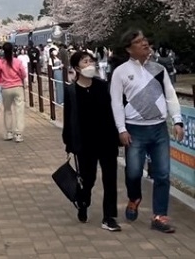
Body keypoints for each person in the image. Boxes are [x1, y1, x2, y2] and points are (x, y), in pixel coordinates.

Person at [110, 29, 185, 234]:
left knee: (162, 175)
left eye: (144, 40)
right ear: (129, 49)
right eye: (138, 42)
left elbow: (170, 96)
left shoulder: (159, 69)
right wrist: (121, 129)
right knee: (133, 173)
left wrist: (177, 121)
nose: (144, 44)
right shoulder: (121, 72)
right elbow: (116, 103)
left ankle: (159, 216)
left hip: (159, 129)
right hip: (134, 130)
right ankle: (134, 197)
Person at [63, 50, 121, 231]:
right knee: (88, 179)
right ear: (75, 68)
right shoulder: (71, 90)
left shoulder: (104, 86)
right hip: (85, 143)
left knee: (110, 178)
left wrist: (119, 132)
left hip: (107, 139)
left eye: (91, 61)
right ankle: (83, 202)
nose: (90, 65)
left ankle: (109, 216)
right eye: (85, 62)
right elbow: (68, 118)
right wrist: (69, 142)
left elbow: (115, 110)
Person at [0, 42, 27, 142]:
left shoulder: (1, 62)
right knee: (19, 110)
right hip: (18, 86)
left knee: (7, 110)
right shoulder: (17, 61)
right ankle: (18, 134)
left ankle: (9, 132)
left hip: (6, 88)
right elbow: (23, 74)